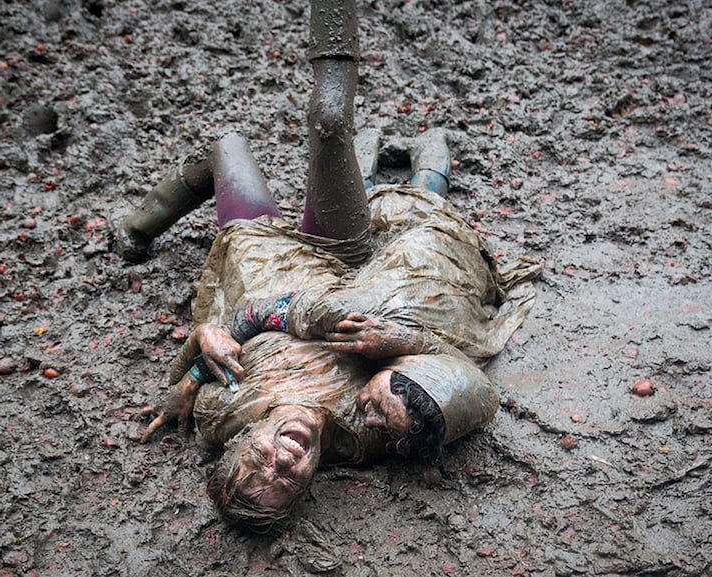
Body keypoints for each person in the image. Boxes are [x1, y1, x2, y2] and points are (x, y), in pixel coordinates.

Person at [121, 0, 540, 528]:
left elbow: (223, 342)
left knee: (227, 146)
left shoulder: (219, 414)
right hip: (339, 258)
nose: (284, 459)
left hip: (259, 262)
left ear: (242, 441)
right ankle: (415, 147)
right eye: (290, 479)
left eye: (260, 462)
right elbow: (455, 371)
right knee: (331, 125)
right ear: (311, 480)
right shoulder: (366, 429)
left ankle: (133, 228)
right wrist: (401, 348)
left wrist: (198, 352)